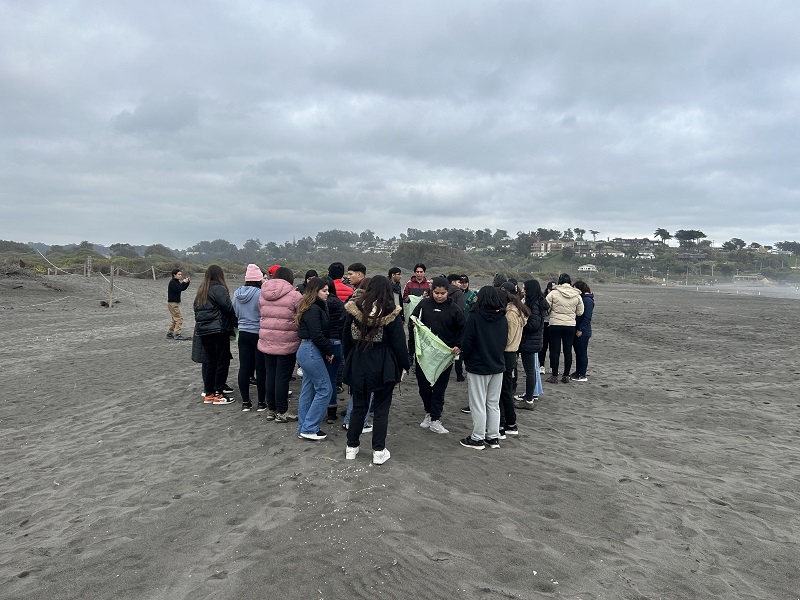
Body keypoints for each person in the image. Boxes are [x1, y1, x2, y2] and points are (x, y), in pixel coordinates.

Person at [342, 275, 410, 464]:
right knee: (381, 409)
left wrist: (349, 359)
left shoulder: (354, 308)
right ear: (388, 290)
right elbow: (398, 344)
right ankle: (378, 451)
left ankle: (351, 447)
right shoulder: (391, 312)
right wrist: (405, 364)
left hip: (358, 361)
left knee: (358, 407)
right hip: (383, 364)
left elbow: (346, 339)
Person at [411, 276, 465, 434]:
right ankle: (428, 413)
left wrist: (458, 346)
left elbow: (463, 329)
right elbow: (413, 318)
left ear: (447, 292)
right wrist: (413, 323)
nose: (439, 296)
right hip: (425, 355)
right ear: (431, 291)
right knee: (424, 386)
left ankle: (435, 418)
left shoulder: (454, 309)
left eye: (442, 293)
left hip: (444, 355)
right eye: (436, 293)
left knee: (439, 388)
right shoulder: (424, 304)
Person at [459, 286, 508, 450]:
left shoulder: (475, 317)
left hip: (479, 366)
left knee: (478, 404)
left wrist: (463, 357)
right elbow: (504, 341)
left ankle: (478, 438)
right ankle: (493, 437)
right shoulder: (502, 316)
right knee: (493, 403)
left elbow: (467, 341)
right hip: (497, 365)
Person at [258, 266, 301, 421]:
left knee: (270, 376)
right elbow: (300, 316)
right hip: (287, 342)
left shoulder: (263, 294)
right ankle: (282, 411)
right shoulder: (295, 295)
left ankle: (271, 409)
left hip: (267, 340)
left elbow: (261, 312)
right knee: (282, 378)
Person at [295, 278, 335, 440]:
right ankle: (310, 427)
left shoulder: (312, 307)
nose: (328, 293)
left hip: (309, 350)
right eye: (324, 290)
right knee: (325, 389)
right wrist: (329, 350)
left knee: (308, 390)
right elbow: (317, 334)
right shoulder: (313, 309)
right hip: (311, 350)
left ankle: (304, 427)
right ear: (315, 291)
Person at [193, 265, 237, 405]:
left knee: (211, 361)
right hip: (218, 329)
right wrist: (235, 323)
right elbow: (228, 308)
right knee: (222, 361)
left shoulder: (202, 290)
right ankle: (219, 394)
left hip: (203, 330)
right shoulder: (218, 288)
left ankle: (209, 393)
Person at [498, 282, 530, 437]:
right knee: (505, 390)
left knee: (504, 391)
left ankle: (507, 423)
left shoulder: (511, 312)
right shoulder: (518, 310)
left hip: (507, 353)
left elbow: (508, 337)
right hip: (512, 353)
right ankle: (509, 423)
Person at [233, 264, 267, 412]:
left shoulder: (237, 293)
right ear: (258, 279)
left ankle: (246, 402)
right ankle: (261, 402)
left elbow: (233, 311)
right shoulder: (260, 294)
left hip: (243, 333)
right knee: (261, 368)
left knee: (244, 368)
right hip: (258, 333)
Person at [545, 273, 584, 384]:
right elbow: (580, 312)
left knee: (555, 350)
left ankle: (554, 375)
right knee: (568, 351)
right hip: (570, 325)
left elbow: (546, 307)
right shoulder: (577, 295)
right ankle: (566, 375)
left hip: (555, 324)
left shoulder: (553, 293)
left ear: (559, 281)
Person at [515, 279, 547, 409]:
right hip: (533, 341)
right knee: (531, 371)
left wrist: (520, 325)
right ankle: (529, 397)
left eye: (524, 288)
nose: (522, 291)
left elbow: (533, 325)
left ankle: (529, 400)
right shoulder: (537, 302)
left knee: (530, 371)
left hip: (530, 342)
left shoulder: (534, 304)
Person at [321, 276, 345, 424]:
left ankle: (318, 410)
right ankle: (331, 412)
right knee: (332, 378)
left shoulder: (319, 304)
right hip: (336, 341)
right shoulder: (339, 304)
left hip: (322, 342)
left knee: (317, 380)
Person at [403, 263, 430, 363]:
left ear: (424, 272)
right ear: (415, 272)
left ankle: (422, 358)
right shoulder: (409, 284)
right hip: (412, 314)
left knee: (424, 337)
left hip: (425, 314)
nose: (419, 274)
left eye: (421, 272)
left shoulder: (428, 284)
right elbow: (404, 298)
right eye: (417, 272)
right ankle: (410, 356)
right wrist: (411, 299)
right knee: (411, 337)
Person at [571, 281, 594, 382]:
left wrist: (581, 329)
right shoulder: (583, 299)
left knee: (582, 353)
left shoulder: (588, 300)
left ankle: (582, 374)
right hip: (579, 329)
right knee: (578, 352)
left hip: (583, 331)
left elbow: (587, 317)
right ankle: (578, 372)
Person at [166, 268, 191, 340]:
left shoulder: (176, 282)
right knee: (179, 318)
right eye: (179, 274)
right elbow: (179, 289)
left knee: (175, 319)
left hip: (174, 303)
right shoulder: (172, 282)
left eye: (181, 274)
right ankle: (177, 334)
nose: (180, 276)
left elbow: (182, 288)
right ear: (174, 275)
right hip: (173, 303)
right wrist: (184, 282)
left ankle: (170, 333)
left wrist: (187, 282)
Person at [538, 281, 556, 374]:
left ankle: (553, 366)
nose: (551, 291)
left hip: (554, 323)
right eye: (550, 289)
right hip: (545, 323)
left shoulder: (558, 298)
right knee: (543, 346)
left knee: (553, 347)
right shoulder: (543, 298)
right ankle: (541, 365)